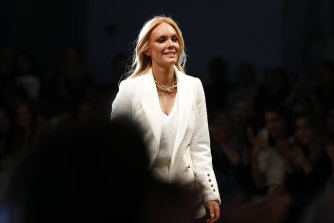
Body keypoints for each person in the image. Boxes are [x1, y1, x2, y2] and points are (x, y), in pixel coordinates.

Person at [110, 16, 221, 222]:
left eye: (174, 39)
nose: (171, 45)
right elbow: (114, 148)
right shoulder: (130, 89)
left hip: (185, 199)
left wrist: (211, 194)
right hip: (144, 198)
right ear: (146, 49)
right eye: (162, 40)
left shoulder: (193, 86)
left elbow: (200, 148)